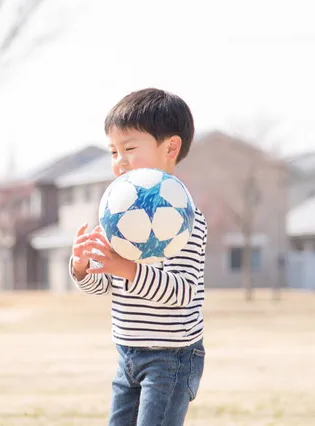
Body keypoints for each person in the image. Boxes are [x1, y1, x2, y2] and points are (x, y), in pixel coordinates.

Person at [70, 88, 207, 426]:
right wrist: (82, 267)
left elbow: (182, 292)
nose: (120, 160)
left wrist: (129, 268)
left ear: (170, 148)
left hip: (171, 357)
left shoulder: (183, 218)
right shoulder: (117, 214)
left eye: (130, 148)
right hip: (127, 352)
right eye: (113, 151)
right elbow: (107, 286)